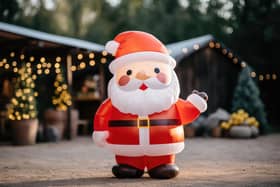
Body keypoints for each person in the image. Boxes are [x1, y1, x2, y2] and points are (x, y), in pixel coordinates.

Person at [93, 31, 208, 179]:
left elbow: (186, 111)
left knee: (162, 166)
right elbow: (102, 114)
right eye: (129, 72)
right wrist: (100, 130)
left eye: (155, 70)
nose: (143, 76)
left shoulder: (170, 100)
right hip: (126, 148)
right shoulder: (115, 101)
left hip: (163, 147)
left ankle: (161, 165)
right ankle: (128, 165)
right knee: (127, 164)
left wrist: (195, 104)